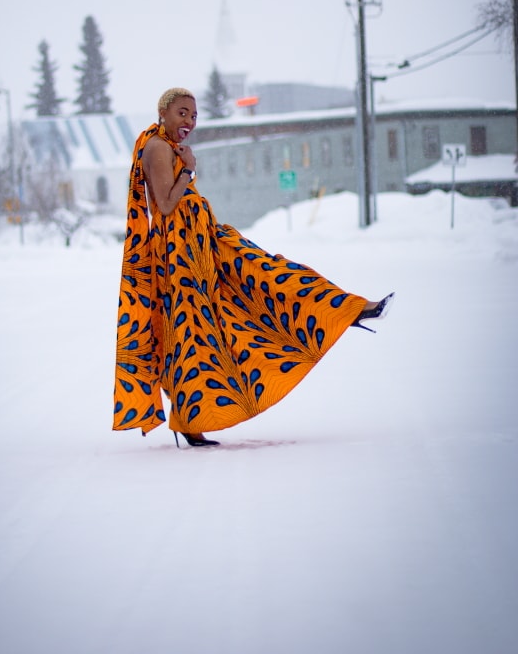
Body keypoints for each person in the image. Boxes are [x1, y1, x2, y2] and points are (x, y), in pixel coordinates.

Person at [113, 88, 393, 447]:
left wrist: (186, 168)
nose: (189, 122)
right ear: (163, 112)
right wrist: (190, 170)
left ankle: (348, 309)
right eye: (182, 113)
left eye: (194, 116)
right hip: (181, 258)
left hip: (206, 244)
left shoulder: (168, 147)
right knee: (192, 338)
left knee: (269, 275)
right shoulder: (156, 148)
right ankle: (188, 420)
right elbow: (166, 206)